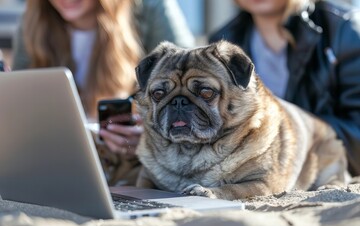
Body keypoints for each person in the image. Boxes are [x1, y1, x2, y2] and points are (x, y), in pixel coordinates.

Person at [12, 0, 195, 185]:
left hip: (133, 172)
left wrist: (150, 138)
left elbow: (188, 86)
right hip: (57, 167)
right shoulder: (35, 18)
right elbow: (18, 105)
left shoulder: (151, 7)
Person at [209, 0, 360, 176]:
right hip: (258, 175)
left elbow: (356, 134)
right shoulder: (224, 42)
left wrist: (286, 128)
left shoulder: (344, 29)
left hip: (325, 170)